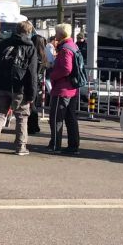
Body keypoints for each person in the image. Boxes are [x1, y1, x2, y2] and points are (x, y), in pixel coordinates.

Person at [0, 21, 38, 155]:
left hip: (1, 85)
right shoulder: (30, 48)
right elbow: (32, 74)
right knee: (21, 117)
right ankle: (20, 147)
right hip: (20, 87)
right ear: (29, 32)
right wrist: (32, 94)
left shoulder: (3, 44)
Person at [47, 23, 81, 155]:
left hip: (63, 88)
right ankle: (73, 145)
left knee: (56, 117)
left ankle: (55, 144)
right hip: (72, 88)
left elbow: (66, 68)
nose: (55, 35)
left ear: (61, 34)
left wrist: (53, 74)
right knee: (70, 117)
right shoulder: (73, 46)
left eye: (56, 33)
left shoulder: (65, 49)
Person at [28, 32, 48, 135]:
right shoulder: (43, 56)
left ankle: (32, 126)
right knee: (34, 104)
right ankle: (34, 126)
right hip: (38, 83)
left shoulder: (34, 56)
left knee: (31, 105)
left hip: (32, 82)